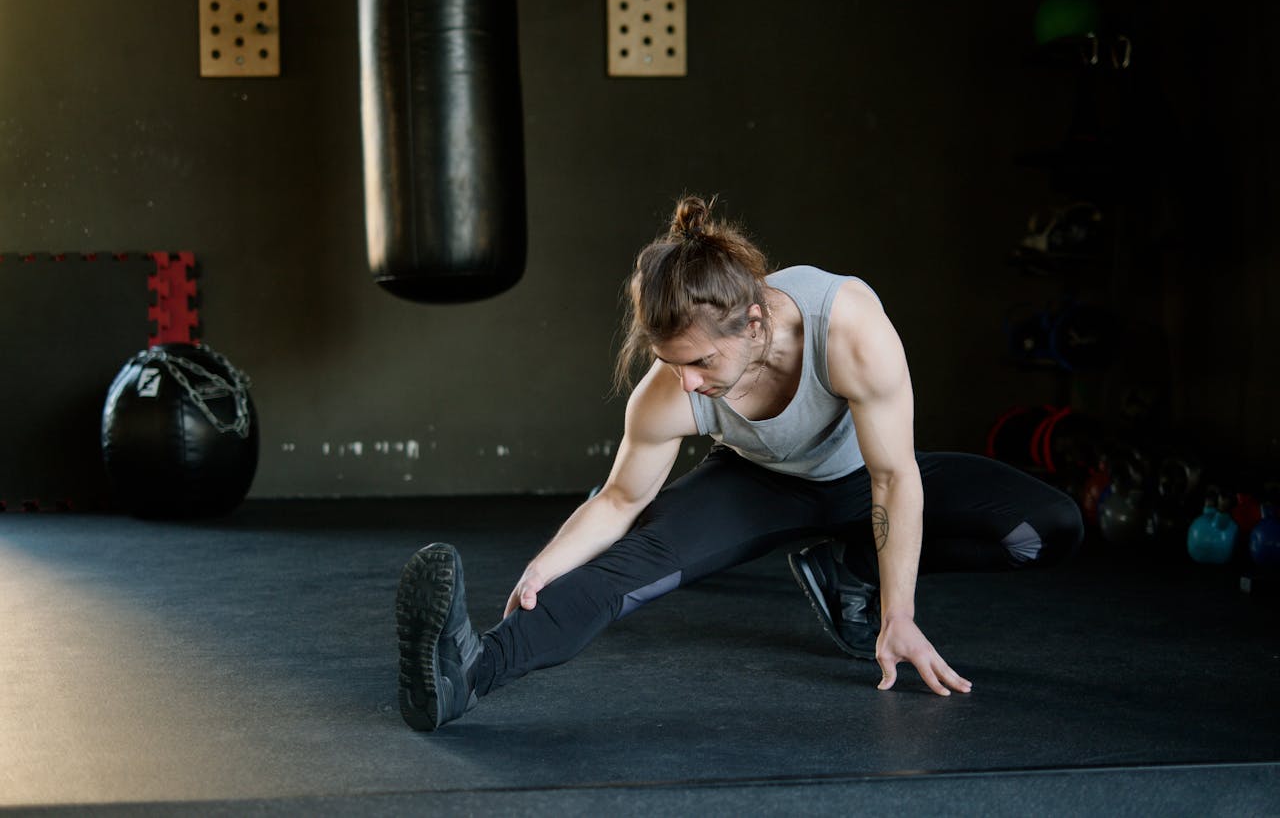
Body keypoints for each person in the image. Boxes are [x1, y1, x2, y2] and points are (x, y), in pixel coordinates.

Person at [394, 195, 1084, 732]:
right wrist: (546, 563)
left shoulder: (845, 327)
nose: (686, 382)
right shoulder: (668, 391)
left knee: (1047, 528)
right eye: (670, 363)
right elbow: (619, 500)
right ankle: (470, 670)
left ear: (754, 323)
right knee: (622, 572)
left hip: (863, 477)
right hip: (758, 486)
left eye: (700, 361)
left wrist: (896, 612)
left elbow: (893, 477)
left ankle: (847, 568)